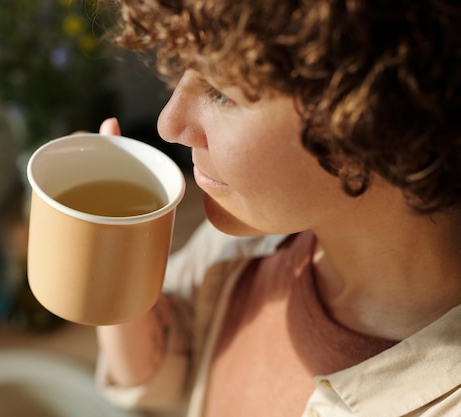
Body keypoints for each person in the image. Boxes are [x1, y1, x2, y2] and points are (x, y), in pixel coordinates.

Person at [94, 1, 461, 416]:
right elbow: (166, 368)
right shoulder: (250, 245)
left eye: (220, 91)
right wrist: (115, 259)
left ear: (382, 117)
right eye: (183, 68)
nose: (169, 123)